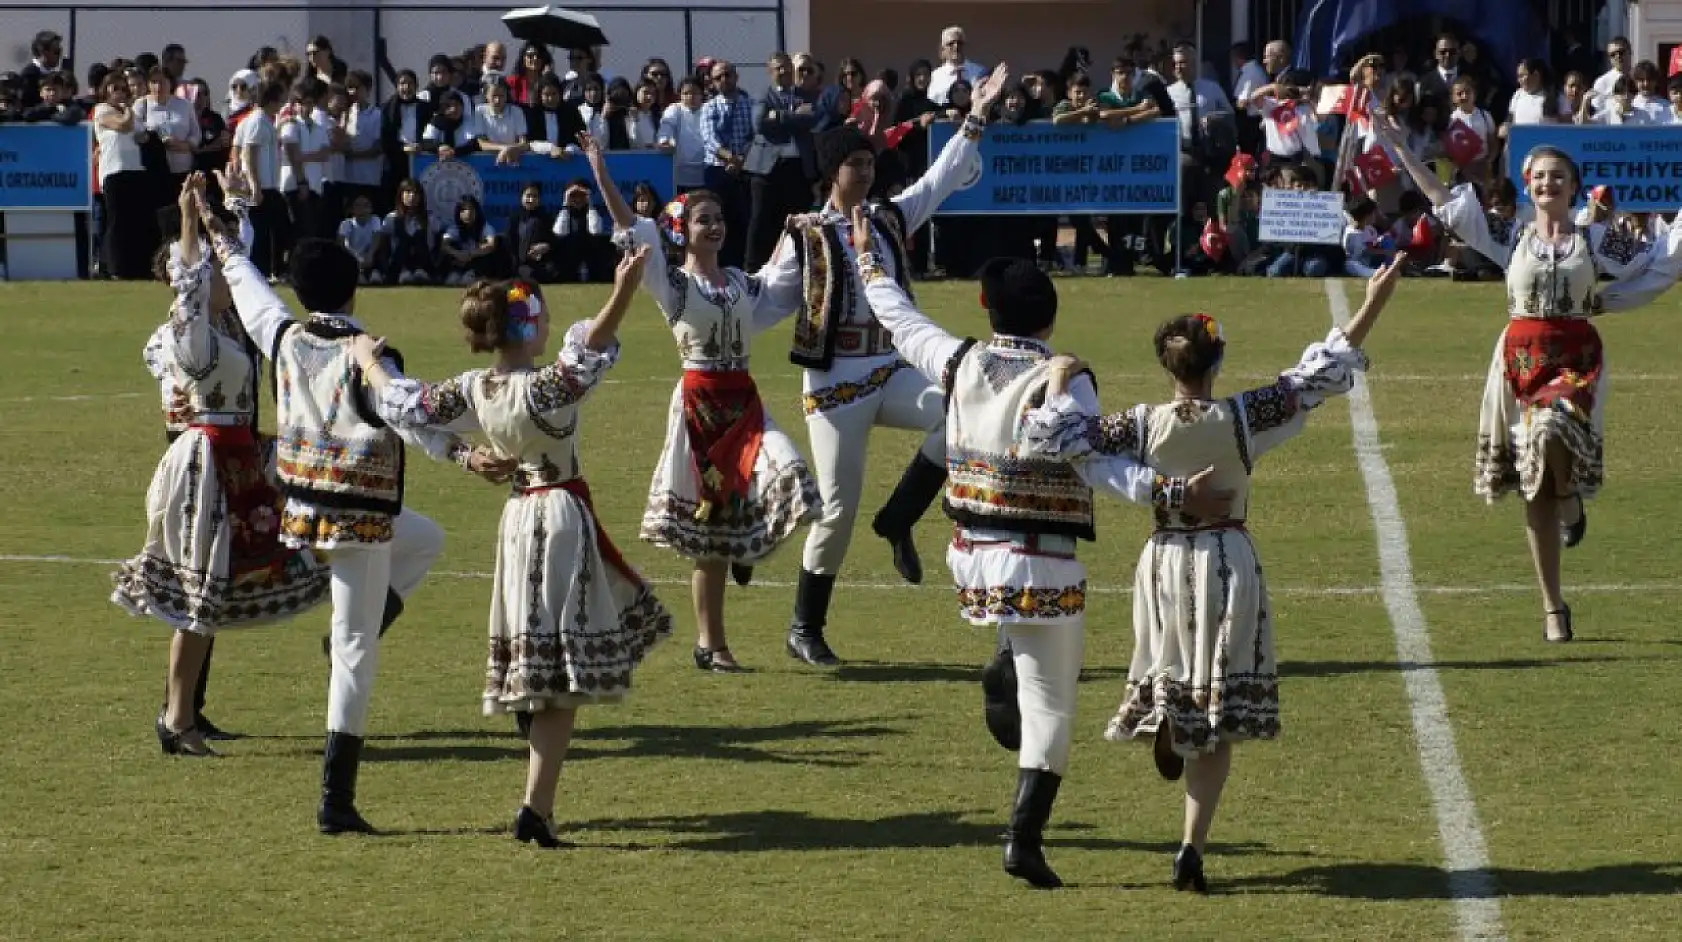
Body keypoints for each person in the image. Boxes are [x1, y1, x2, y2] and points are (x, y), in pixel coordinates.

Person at [849, 211, 1235, 889]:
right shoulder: (1065, 378)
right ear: (1051, 318)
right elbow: (1095, 464)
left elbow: (898, 318)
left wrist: (869, 260)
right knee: (1052, 703)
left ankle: (1005, 655)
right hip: (1040, 559)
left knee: (1032, 667)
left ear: (988, 309)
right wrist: (1174, 494)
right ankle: (1021, 840)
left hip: (971, 554)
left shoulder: (959, 359)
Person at [1019, 258, 1407, 893]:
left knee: (1177, 676)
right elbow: (1319, 373)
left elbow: (1053, 436)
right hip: (1226, 560)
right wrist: (1373, 302)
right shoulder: (1243, 417)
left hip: (1162, 561)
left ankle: (1171, 713)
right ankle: (1190, 848)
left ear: (1166, 367)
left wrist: (1059, 374)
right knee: (1220, 711)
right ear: (1216, 361)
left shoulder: (1140, 424)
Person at [196, 171, 515, 833]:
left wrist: (218, 230)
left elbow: (250, 290)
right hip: (358, 519)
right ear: (354, 286)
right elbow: (409, 415)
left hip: (305, 511)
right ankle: (335, 800)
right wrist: (465, 453)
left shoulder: (286, 337)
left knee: (426, 540)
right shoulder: (366, 354)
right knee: (354, 653)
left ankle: (354, 634)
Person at [357, 253, 673, 848]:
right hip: (559, 516)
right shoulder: (550, 387)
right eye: (543, 316)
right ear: (527, 326)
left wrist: (371, 362)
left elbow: (402, 403)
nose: (551, 323)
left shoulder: (474, 388)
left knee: (541, 661)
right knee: (561, 676)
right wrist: (623, 290)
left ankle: (538, 799)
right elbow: (592, 346)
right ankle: (536, 807)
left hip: (518, 517)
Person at [1379, 123, 1682, 642]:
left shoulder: (1594, 239)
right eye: (1540, 176)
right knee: (1533, 481)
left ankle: (1569, 500)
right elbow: (1446, 202)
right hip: (1519, 361)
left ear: (1574, 186)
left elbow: (1660, 263)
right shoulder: (1511, 236)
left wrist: (1609, 301)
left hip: (1575, 360)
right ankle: (1552, 605)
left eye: (1558, 176)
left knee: (1550, 432)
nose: (1548, 183)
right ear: (1527, 184)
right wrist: (1401, 145)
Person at [763, 64, 1007, 667]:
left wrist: (976, 118)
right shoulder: (804, 236)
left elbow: (940, 179)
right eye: (855, 163)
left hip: (891, 367)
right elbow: (764, 297)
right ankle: (803, 626)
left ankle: (899, 518)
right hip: (835, 380)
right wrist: (710, 297)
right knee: (837, 509)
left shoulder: (889, 217)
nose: (867, 171)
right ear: (832, 172)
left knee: (963, 410)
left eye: (869, 162)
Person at [581, 132, 820, 673]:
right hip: (700, 410)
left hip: (745, 404)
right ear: (682, 231)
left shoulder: (737, 282)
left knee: (795, 477)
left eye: (717, 218)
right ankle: (712, 646)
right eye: (701, 220)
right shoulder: (675, 285)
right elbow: (630, 226)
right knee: (709, 539)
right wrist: (600, 168)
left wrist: (797, 231)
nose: (713, 226)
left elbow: (777, 277)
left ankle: (747, 547)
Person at [115, 176, 333, 755]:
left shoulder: (224, 324)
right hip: (204, 463)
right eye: (214, 270)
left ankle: (182, 715)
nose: (227, 277)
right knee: (200, 595)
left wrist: (231, 209)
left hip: (233, 457)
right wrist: (189, 224)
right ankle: (178, 718)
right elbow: (191, 283)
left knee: (209, 596)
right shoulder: (191, 333)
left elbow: (237, 265)